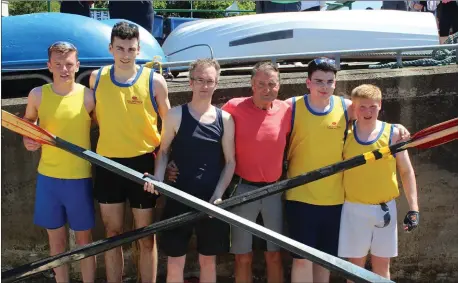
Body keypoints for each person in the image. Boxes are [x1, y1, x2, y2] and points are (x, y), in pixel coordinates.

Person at [284, 57, 410, 283]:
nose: (324, 86)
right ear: (307, 82)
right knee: (302, 259)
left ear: (335, 83)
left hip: (334, 200)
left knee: (325, 260)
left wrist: (397, 127)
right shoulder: (291, 105)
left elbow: (370, 112)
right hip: (299, 196)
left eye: (329, 81)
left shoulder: (344, 106)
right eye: (318, 81)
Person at [165, 61, 290, 283]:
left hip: (274, 190)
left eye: (272, 84)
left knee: (275, 255)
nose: (266, 89)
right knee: (242, 256)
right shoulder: (233, 108)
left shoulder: (287, 110)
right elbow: (201, 130)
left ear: (279, 86)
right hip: (242, 188)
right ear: (252, 84)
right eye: (261, 83)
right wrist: (171, 163)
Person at [89, 21, 170, 283]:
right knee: (113, 235)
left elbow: (170, 127)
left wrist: (167, 162)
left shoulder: (154, 81)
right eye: (120, 48)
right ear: (111, 48)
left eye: (131, 49)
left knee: (146, 236)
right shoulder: (97, 77)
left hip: (144, 164)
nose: (125, 54)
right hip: (108, 164)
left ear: (139, 50)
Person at [144, 58, 235, 283]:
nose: (205, 86)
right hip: (178, 198)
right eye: (200, 80)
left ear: (216, 84)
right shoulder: (175, 115)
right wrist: (158, 180)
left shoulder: (225, 119)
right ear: (190, 83)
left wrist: (218, 195)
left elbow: (230, 161)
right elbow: (163, 152)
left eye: (210, 81)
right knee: (175, 261)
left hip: (210, 200)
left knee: (208, 261)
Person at [23, 41, 96, 283]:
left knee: (85, 241)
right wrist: (28, 139)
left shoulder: (89, 97)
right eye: (58, 64)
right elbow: (28, 124)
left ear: (77, 65)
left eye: (68, 64)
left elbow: (101, 128)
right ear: (49, 66)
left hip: (79, 178)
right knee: (56, 242)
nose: (64, 69)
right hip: (48, 179)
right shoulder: (37, 95)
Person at [338, 84, 419, 280]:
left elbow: (406, 171)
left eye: (372, 107)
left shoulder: (393, 134)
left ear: (380, 105)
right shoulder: (343, 134)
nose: (367, 112)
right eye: (362, 107)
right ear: (353, 107)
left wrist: (414, 208)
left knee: (382, 269)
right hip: (354, 209)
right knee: (354, 270)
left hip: (385, 210)